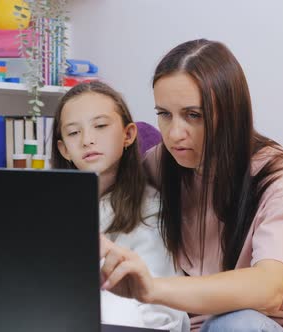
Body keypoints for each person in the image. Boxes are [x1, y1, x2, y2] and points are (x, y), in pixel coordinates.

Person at [99, 39, 283, 332]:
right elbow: (114, 196)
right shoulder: (161, 162)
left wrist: (151, 289)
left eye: (193, 115)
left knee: (234, 323)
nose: (174, 134)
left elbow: (268, 289)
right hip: (192, 325)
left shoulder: (280, 177)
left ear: (231, 113)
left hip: (260, 324)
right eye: (164, 114)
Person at [51, 81, 188, 332]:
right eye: (73, 133)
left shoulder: (151, 211)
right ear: (64, 149)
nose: (87, 140)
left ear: (128, 135)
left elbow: (160, 314)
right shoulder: (51, 211)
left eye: (100, 126)